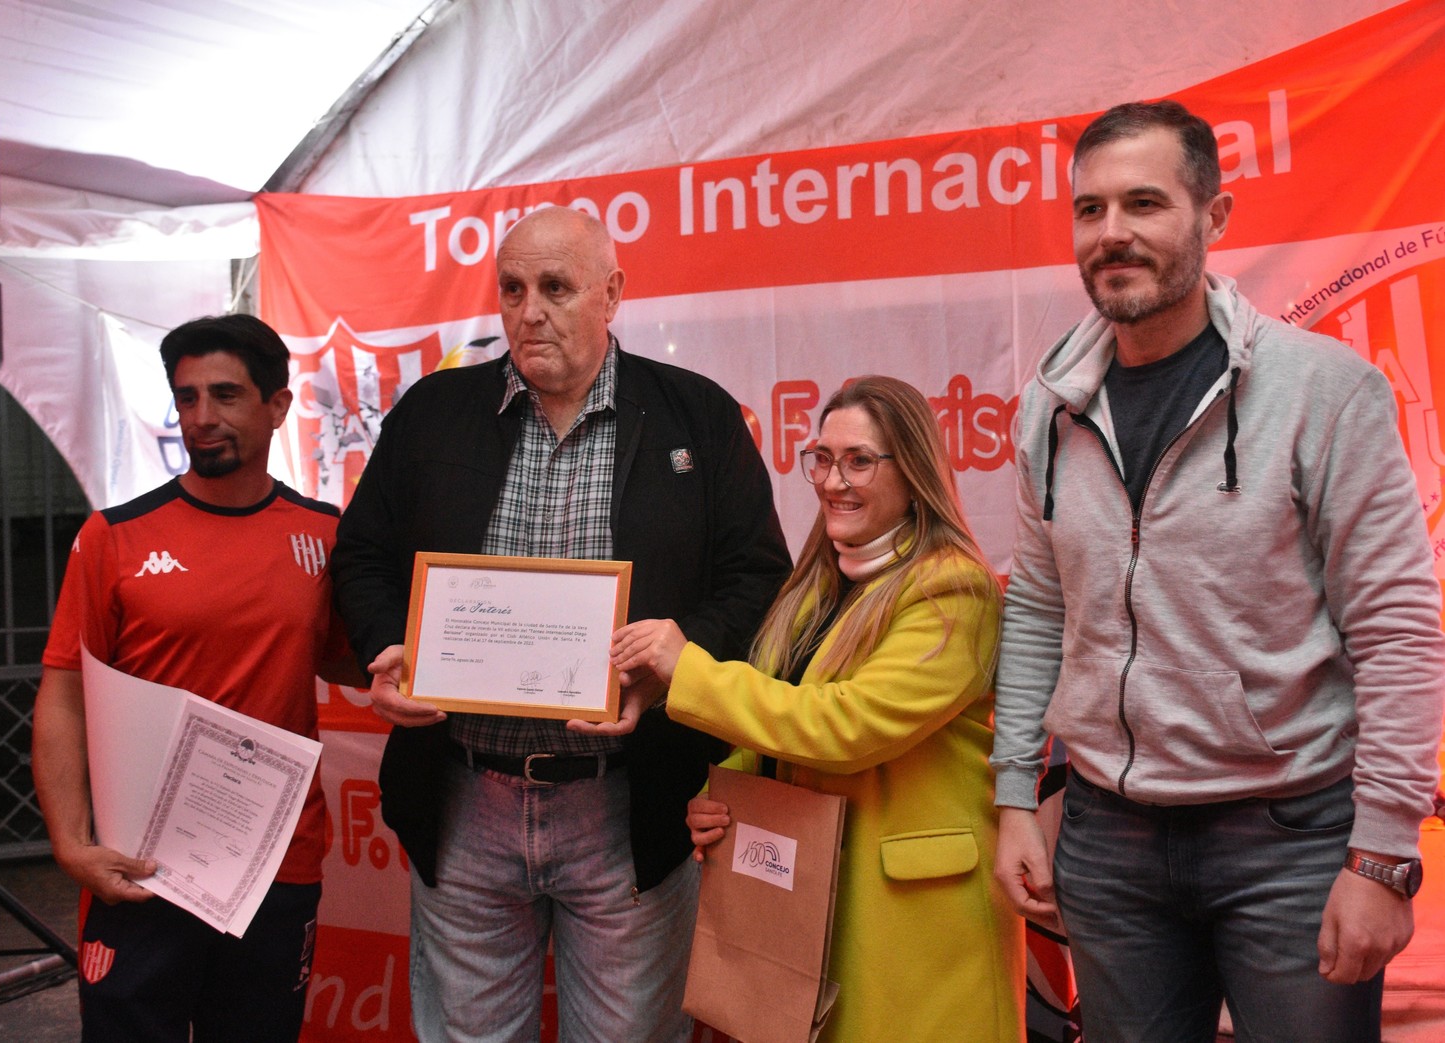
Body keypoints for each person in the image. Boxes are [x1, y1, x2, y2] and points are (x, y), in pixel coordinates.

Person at [990, 99, 1445, 1043]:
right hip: (1108, 839)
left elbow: (1398, 629)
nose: (1111, 233)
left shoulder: (1322, 390)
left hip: (1289, 841)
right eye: (1088, 210)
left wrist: (1383, 856)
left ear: (1215, 216)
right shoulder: (1049, 406)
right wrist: (1010, 799)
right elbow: (1038, 605)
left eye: (1144, 203)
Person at [330, 205, 790, 1042]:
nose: (528, 311)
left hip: (628, 799)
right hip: (464, 794)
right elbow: (360, 555)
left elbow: (758, 578)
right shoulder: (433, 412)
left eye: (554, 287)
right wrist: (385, 646)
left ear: (612, 293)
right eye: (511, 288)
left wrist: (673, 666)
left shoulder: (698, 417)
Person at [613, 375, 1025, 1041]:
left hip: (915, 923)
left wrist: (686, 667)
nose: (833, 480)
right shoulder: (818, 584)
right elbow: (785, 709)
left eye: (859, 459)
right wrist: (727, 791)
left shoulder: (956, 591)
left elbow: (844, 726)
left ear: (913, 469)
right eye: (822, 458)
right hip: (815, 899)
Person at [33, 314, 359, 1042]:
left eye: (225, 395)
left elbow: (343, 656)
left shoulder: (324, 533)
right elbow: (63, 693)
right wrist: (70, 841)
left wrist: (438, 648)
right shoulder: (112, 536)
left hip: (274, 864)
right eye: (186, 398)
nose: (201, 419)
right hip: (140, 864)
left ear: (277, 406)